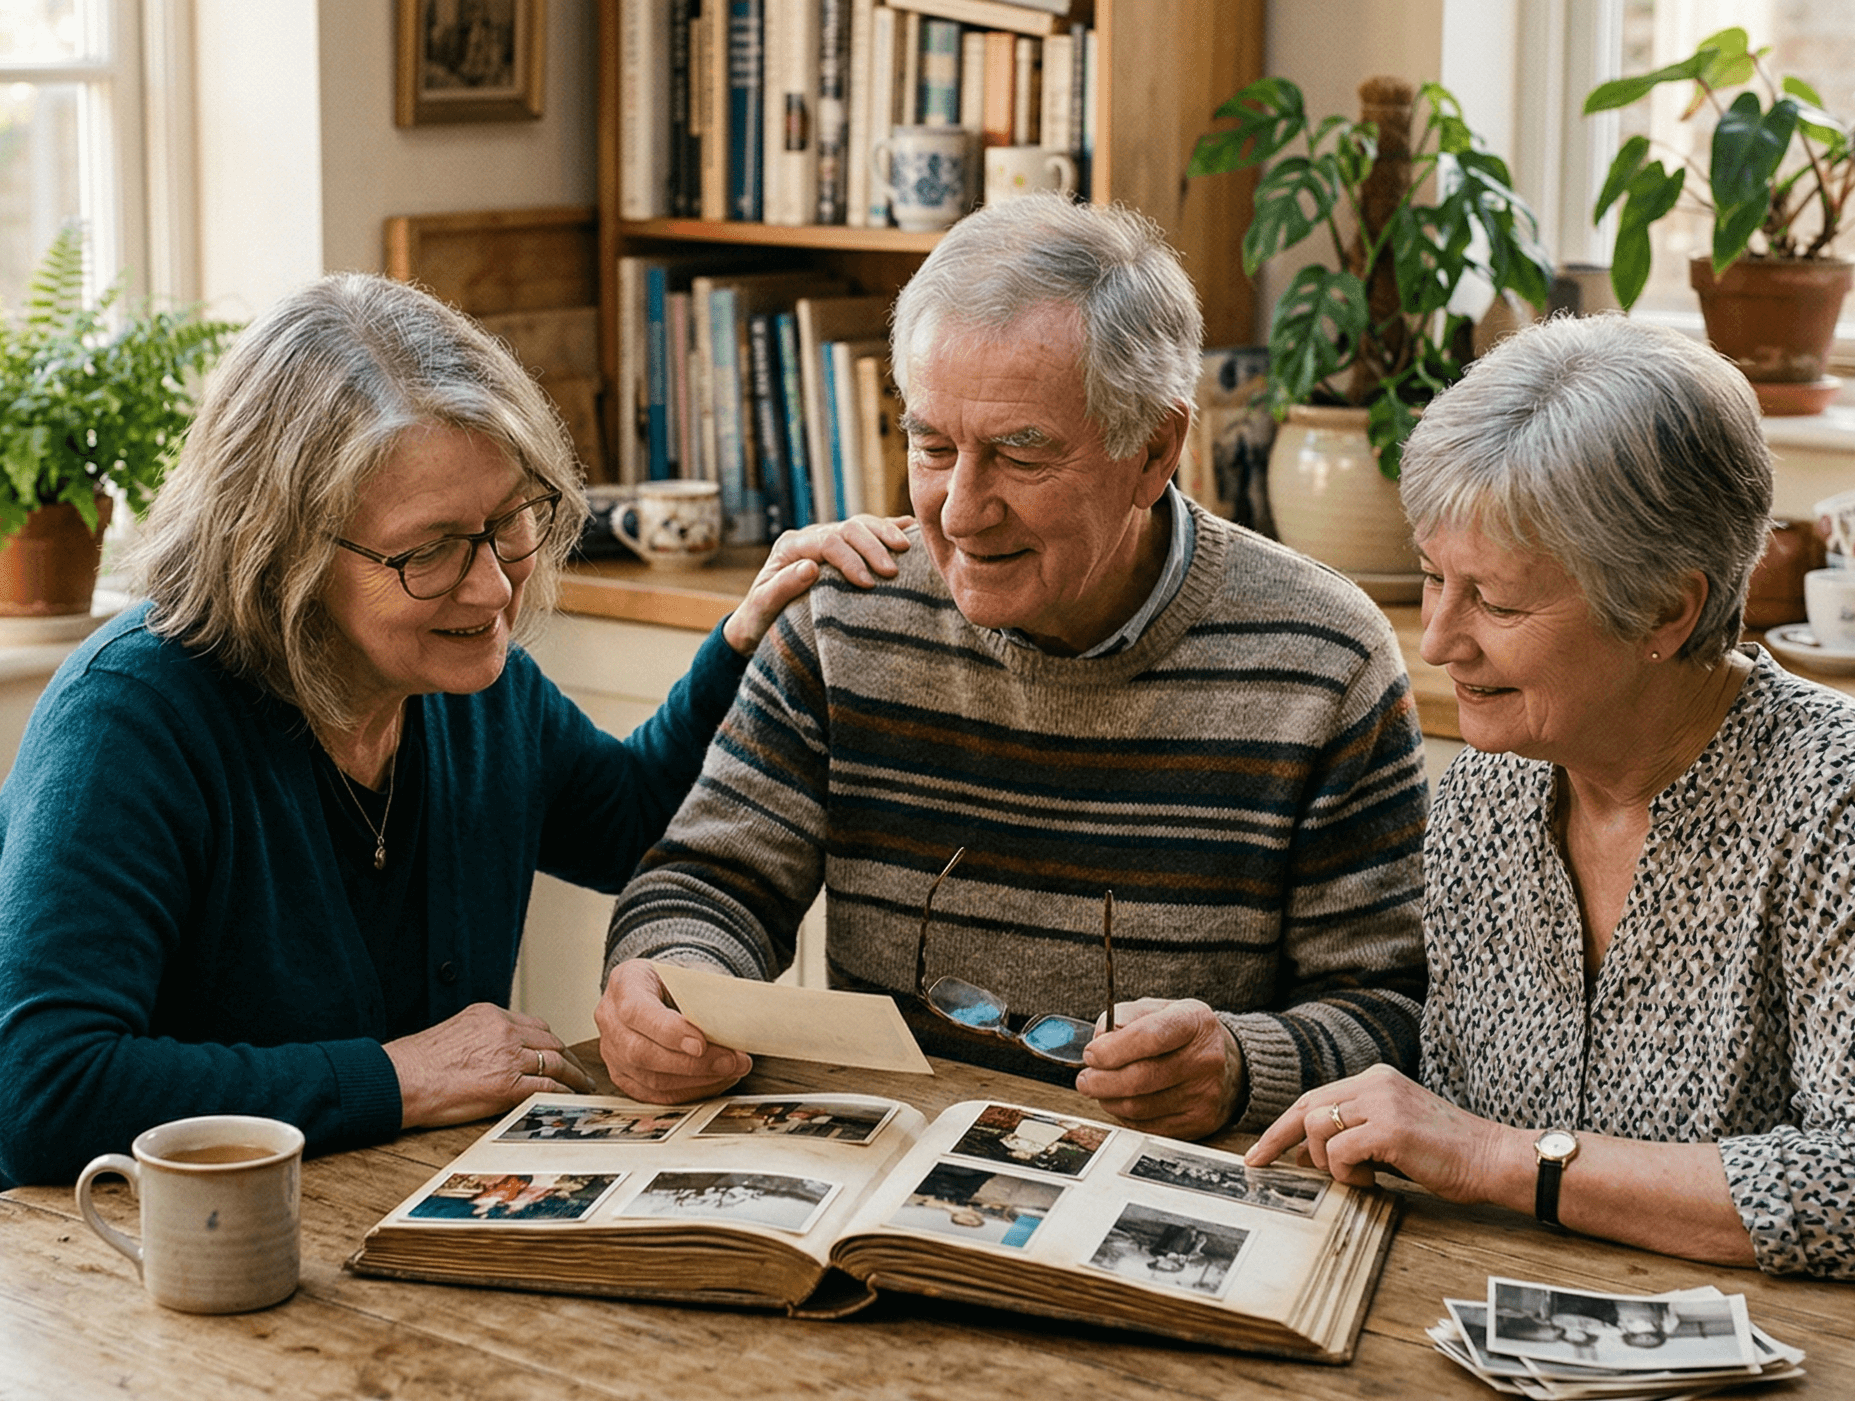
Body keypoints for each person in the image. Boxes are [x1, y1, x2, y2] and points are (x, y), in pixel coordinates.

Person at [0, 274, 909, 1237]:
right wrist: (396, 1078)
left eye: (509, 521)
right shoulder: (134, 717)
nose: (491, 588)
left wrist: (742, 638)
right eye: (428, 551)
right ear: (278, 552)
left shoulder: (466, 685)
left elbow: (624, 822)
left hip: (214, 1244)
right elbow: (43, 1092)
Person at [1247, 314, 1855, 1296]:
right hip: (1600, 1342)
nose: (1440, 640)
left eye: (1495, 603)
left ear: (1666, 609)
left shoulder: (1842, 798)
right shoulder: (1484, 796)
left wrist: (1495, 1159)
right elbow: (1459, 1130)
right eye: (1431, 580)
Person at [592, 196, 1429, 1141]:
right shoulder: (849, 608)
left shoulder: (1327, 661)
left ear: (1155, 447)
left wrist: (1240, 1067)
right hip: (880, 1183)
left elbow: (1397, 1013)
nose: (959, 511)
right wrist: (663, 979)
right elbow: (708, 881)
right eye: (931, 445)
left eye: (1020, 454)